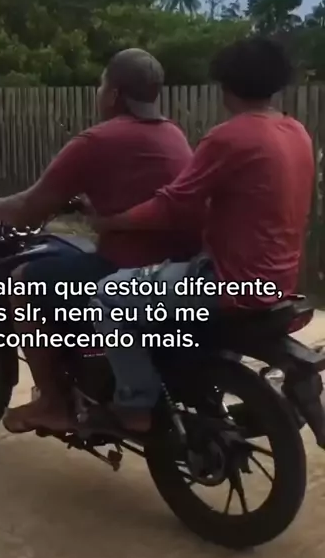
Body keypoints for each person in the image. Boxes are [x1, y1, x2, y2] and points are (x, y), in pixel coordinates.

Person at [87, 37, 315, 433]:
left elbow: (173, 204)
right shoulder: (296, 132)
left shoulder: (231, 136)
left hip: (227, 282)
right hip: (280, 281)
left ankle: (134, 403)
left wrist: (110, 221)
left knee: (107, 294)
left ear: (225, 84)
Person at [0, 48, 202, 432]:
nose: (99, 92)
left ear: (114, 94)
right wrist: (94, 207)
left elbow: (28, 207)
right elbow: (148, 194)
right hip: (176, 267)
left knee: (22, 282)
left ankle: (51, 402)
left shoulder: (97, 140)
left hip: (124, 269)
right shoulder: (172, 133)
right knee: (69, 258)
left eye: (101, 84)